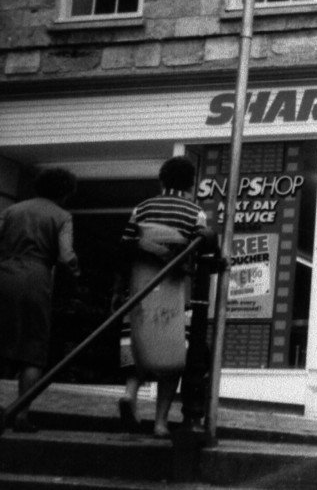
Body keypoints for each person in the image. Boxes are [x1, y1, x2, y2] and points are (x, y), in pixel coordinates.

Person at [116, 156, 212, 438]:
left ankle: (130, 394)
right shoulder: (195, 211)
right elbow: (199, 248)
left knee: (136, 345)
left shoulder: (142, 208)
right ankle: (159, 423)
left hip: (140, 289)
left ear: (162, 179)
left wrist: (117, 288)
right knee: (173, 359)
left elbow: (125, 246)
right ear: (190, 182)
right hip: (173, 293)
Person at [0, 167, 80, 433]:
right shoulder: (62, 216)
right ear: (66, 192)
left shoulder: (13, 210)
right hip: (36, 279)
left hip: (5, 274)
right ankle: (22, 414)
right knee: (33, 352)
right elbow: (66, 256)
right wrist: (76, 271)